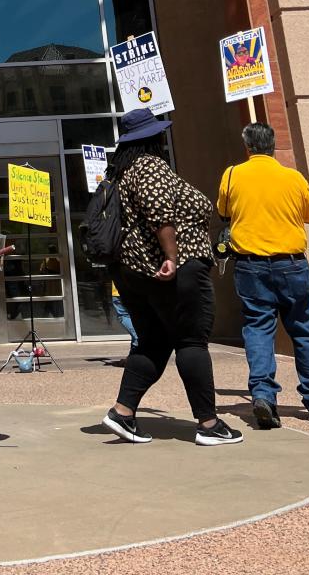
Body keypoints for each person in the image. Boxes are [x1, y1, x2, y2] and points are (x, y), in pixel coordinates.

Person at [103, 108, 242, 448]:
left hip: (135, 271)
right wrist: (171, 256)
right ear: (154, 139)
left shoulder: (121, 173)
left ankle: (123, 412)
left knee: (154, 341)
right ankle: (209, 423)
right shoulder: (150, 167)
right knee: (191, 340)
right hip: (173, 269)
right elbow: (159, 213)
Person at [217, 122, 309, 428]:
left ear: (248, 147)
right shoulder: (293, 178)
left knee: (258, 330)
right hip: (291, 263)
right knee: (304, 330)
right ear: (273, 145)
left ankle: (264, 395)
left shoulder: (232, 175)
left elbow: (223, 210)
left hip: (250, 265)